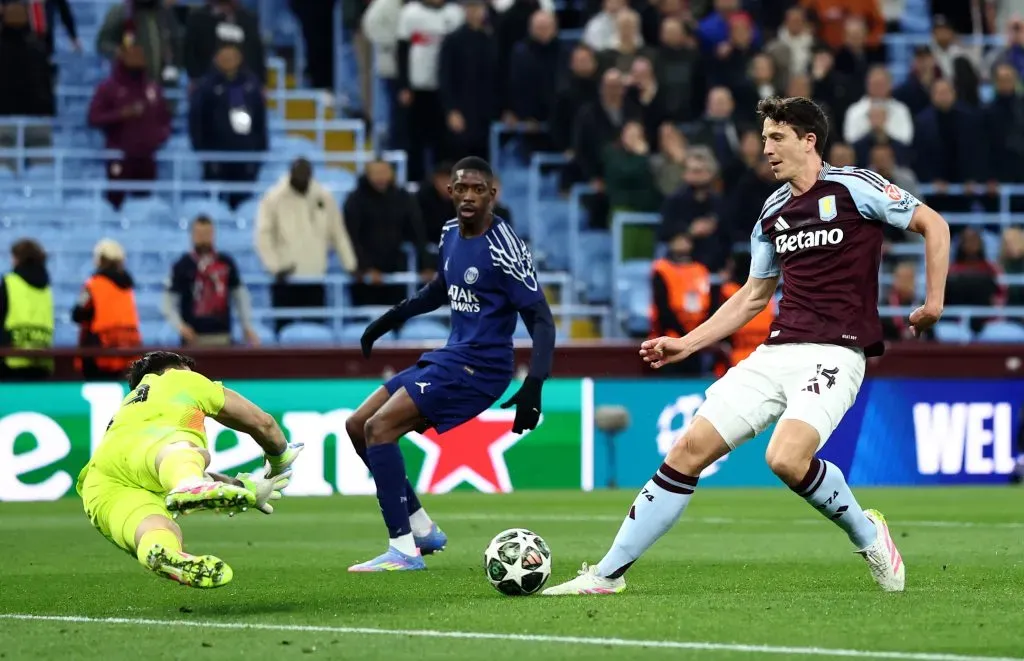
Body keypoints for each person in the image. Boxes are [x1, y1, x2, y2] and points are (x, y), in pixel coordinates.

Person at [543, 96, 950, 596]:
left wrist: (933, 302)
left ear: (808, 140)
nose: (766, 149)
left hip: (837, 353)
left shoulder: (855, 186)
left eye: (776, 137)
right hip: (776, 353)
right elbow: (754, 294)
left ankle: (869, 535)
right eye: (763, 139)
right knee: (688, 449)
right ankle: (606, 575)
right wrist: (687, 343)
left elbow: (935, 223)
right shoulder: (773, 209)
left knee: (784, 458)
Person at [350, 157, 556, 571]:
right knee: (357, 426)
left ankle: (403, 550)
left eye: (477, 189)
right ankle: (421, 529)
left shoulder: (504, 247)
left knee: (380, 429)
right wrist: (390, 319)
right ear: (450, 192)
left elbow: (541, 319)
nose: (467, 196)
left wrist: (534, 384)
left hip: (482, 369)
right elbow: (439, 291)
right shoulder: (448, 233)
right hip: (450, 356)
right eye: (460, 188)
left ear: (491, 195)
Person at [76, 351, 303, 588]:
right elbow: (263, 423)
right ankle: (188, 485)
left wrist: (246, 488)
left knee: (159, 529)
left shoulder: (128, 409)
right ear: (177, 367)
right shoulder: (176, 377)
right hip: (157, 455)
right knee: (186, 450)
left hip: (98, 484)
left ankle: (162, 553)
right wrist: (280, 458)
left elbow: (155, 466)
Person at [162, 215, 260, 346]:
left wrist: (246, 326)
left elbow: (240, 297)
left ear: (213, 234)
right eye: (199, 233)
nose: (203, 238)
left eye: (207, 233)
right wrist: (180, 327)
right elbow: (168, 303)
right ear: (192, 235)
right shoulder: (182, 265)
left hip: (222, 336)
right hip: (193, 339)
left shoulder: (226, 262)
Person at [73, 239, 143, 381]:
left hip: (99, 354)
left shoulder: (93, 284)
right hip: (126, 353)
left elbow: (77, 313)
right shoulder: (127, 288)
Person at [0, 238, 53, 381]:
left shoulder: (10, 282)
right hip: (42, 361)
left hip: (11, 362)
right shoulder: (47, 287)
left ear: (18, 258)